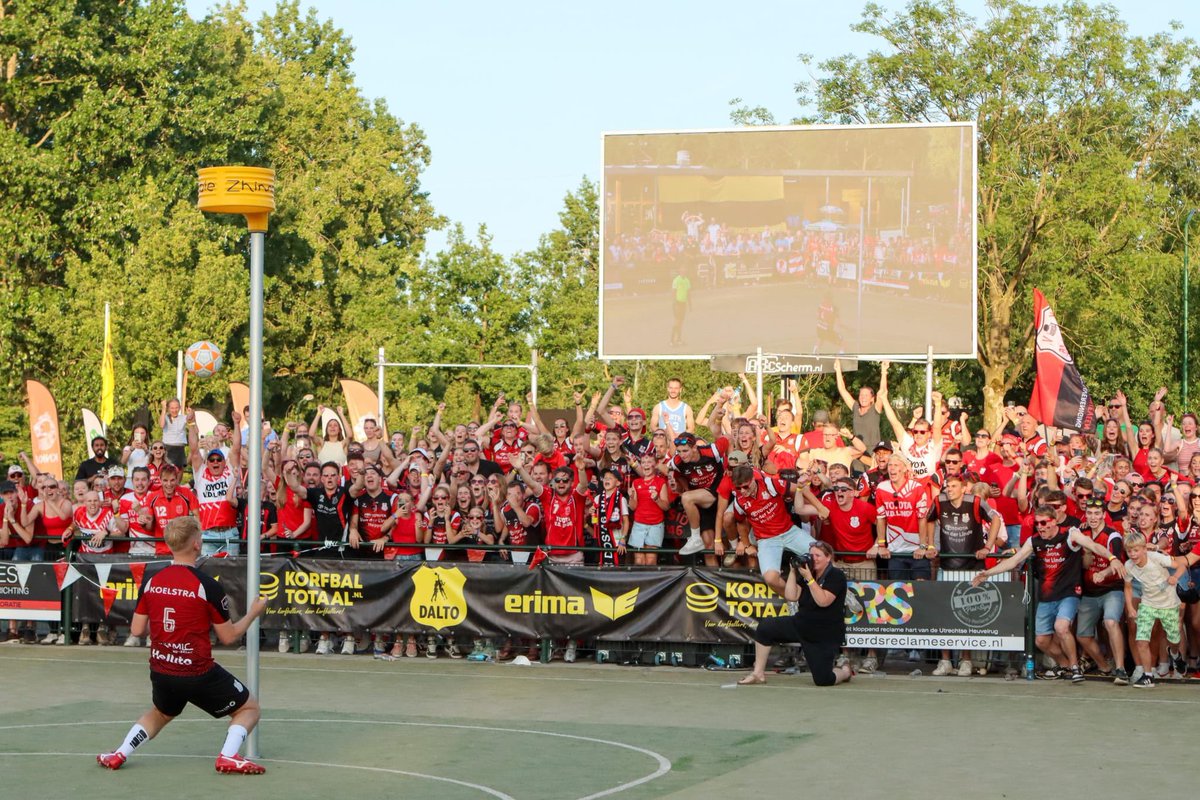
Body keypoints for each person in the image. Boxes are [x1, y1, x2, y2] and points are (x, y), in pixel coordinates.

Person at [97, 516, 269, 774]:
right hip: (196, 671)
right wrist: (254, 613)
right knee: (250, 708)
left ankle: (119, 752)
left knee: (161, 713)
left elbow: (136, 630)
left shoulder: (152, 580)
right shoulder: (207, 586)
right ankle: (228, 755)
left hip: (162, 668)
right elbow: (229, 637)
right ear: (197, 544)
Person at [972, 505, 1124, 683]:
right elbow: (1014, 561)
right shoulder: (1034, 541)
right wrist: (987, 574)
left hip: (1069, 592)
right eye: (1037, 523)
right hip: (1047, 596)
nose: (1040, 527)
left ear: (1054, 521)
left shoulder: (1070, 534)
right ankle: (1065, 665)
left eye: (1044, 523)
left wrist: (1112, 558)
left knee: (1061, 627)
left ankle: (1075, 667)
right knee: (1041, 641)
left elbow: (1093, 546)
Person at [736, 541, 853, 687]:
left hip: (824, 632)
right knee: (765, 627)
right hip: (801, 624)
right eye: (811, 555)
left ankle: (845, 671)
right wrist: (793, 572)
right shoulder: (807, 573)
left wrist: (810, 579)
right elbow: (791, 596)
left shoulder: (836, 575)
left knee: (823, 680)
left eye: (818, 555)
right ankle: (758, 673)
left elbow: (823, 601)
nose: (814, 559)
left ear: (828, 557)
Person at [669, 264, 692, 346]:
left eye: (685, 269)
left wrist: (690, 305)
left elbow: (688, 293)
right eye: (682, 269)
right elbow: (673, 292)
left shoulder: (687, 281)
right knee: (677, 322)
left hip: (683, 304)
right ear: (679, 270)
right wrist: (674, 303)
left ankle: (679, 340)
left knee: (681, 322)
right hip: (677, 303)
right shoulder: (676, 280)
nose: (684, 270)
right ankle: (672, 340)